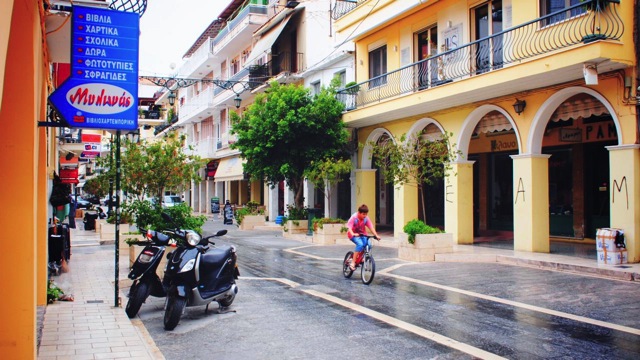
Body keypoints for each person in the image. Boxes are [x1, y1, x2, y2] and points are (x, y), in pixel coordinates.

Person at [346, 204, 380, 271]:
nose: (365, 216)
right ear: (359, 212)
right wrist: (353, 234)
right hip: (352, 234)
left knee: (369, 245)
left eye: (366, 214)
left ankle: (362, 258)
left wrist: (376, 235)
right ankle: (353, 262)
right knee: (360, 244)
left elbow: (371, 227)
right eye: (363, 214)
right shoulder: (354, 217)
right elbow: (349, 227)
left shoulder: (366, 218)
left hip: (362, 235)